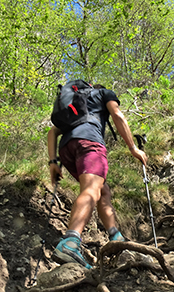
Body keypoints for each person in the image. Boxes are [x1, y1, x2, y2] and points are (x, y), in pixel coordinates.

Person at [47, 83, 148, 269]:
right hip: (90, 143)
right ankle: (70, 243)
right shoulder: (103, 93)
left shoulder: (77, 104)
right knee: (92, 189)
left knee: (103, 190)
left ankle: (115, 236)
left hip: (66, 148)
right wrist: (133, 148)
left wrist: (53, 162)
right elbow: (117, 115)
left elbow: (53, 131)